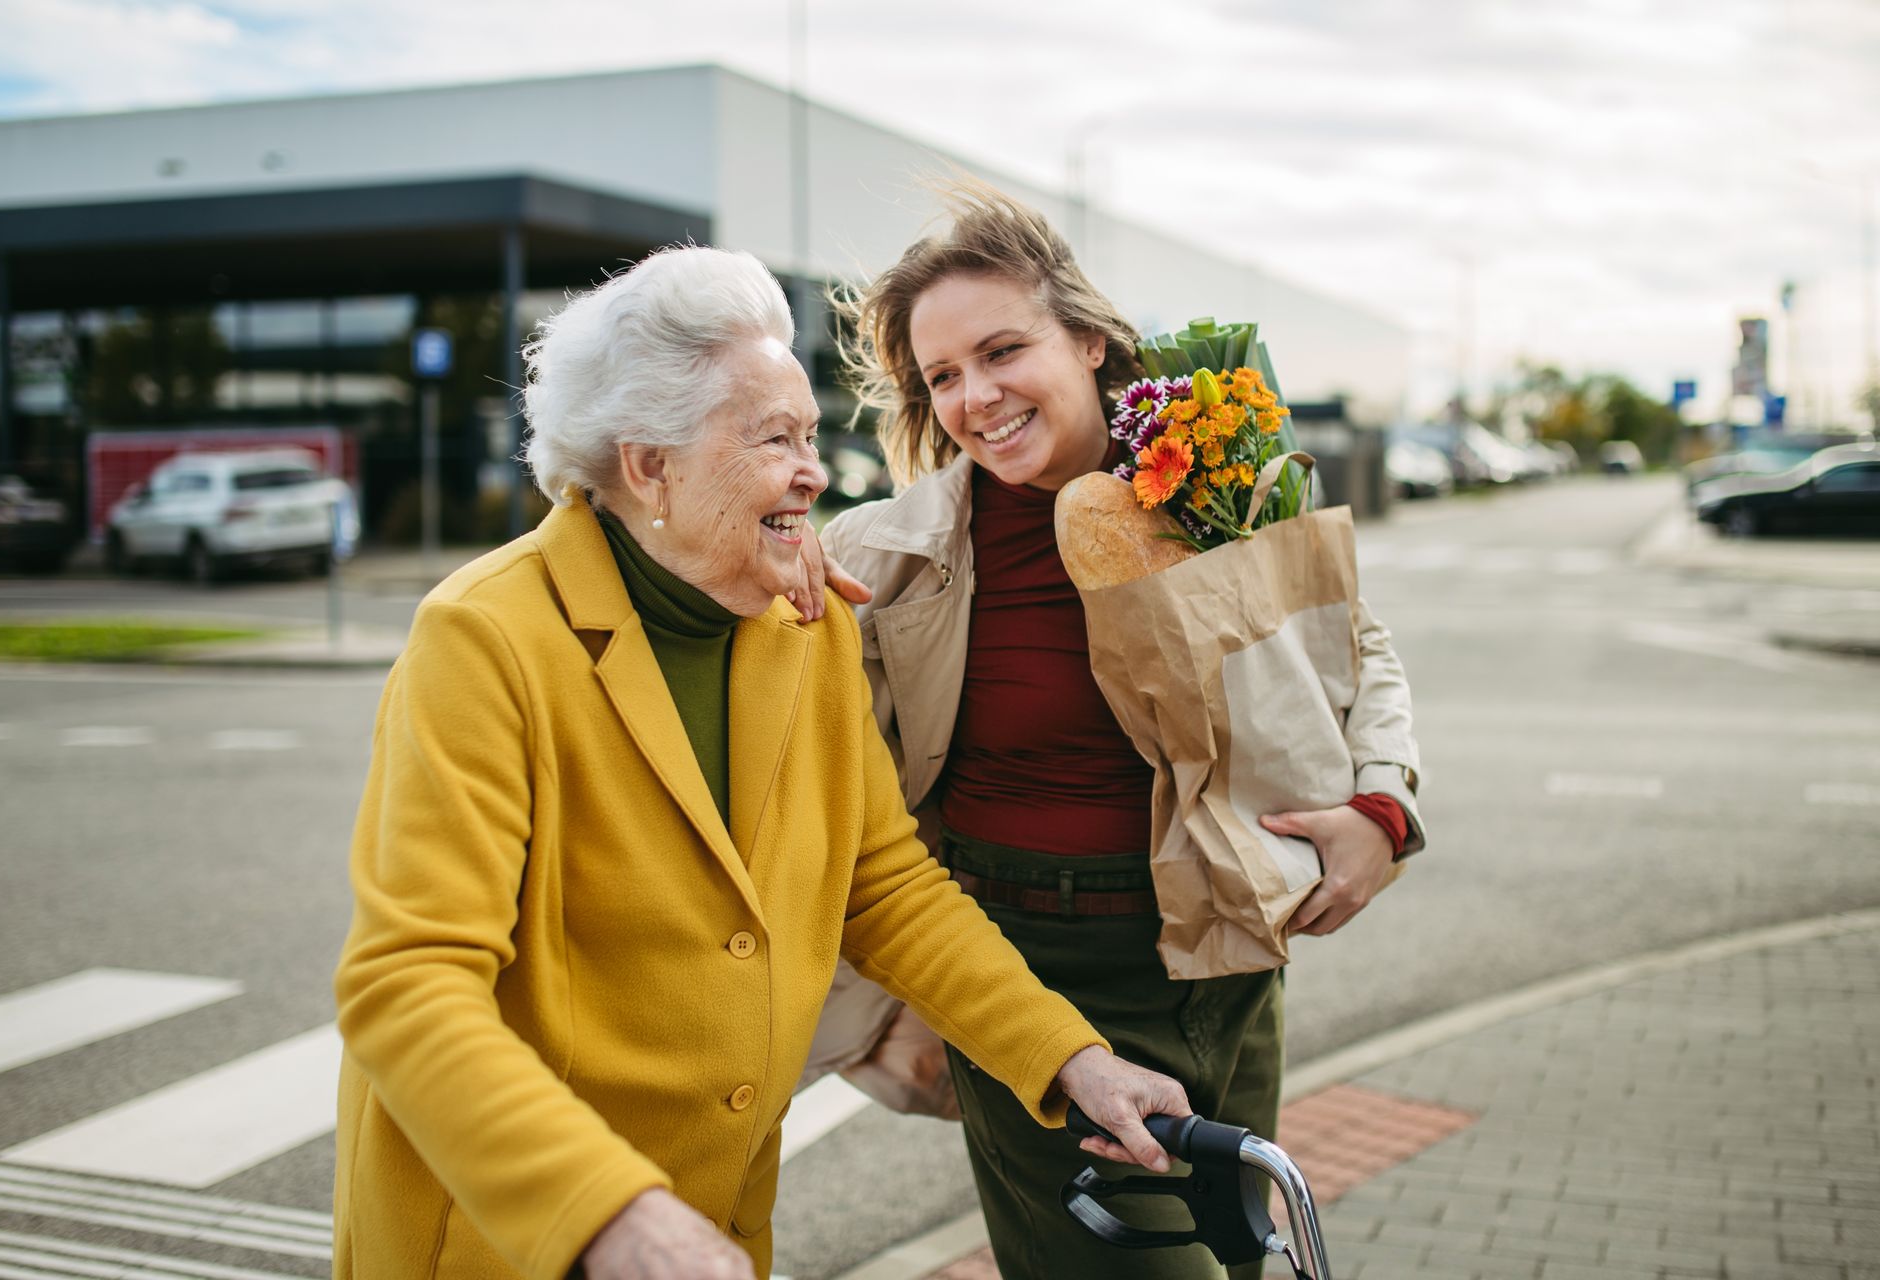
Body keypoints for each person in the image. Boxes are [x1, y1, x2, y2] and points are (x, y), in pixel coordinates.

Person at [331, 245, 1192, 1280]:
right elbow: (407, 982)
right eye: (775, 438)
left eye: (812, 434)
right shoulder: (486, 638)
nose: (814, 472)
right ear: (651, 465)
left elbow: (885, 884)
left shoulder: (806, 620)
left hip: (715, 1221)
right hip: (520, 1231)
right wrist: (604, 1210)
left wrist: (1071, 1056)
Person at [797, 184, 1425, 1280]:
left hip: (1227, 954)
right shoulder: (883, 554)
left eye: (1002, 350)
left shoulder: (1211, 480)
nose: (975, 396)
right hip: (1028, 973)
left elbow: (1353, 644)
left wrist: (1386, 804)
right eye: (941, 376)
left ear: (1086, 337)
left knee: (1238, 1259)